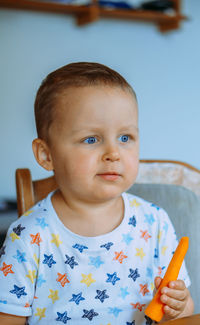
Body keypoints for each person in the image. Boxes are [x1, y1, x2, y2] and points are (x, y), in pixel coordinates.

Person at [0, 62, 194, 325]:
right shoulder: (28, 237)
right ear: (46, 155)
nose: (113, 153)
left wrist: (178, 306)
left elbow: (183, 313)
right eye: (91, 139)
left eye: (125, 138)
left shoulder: (156, 223)